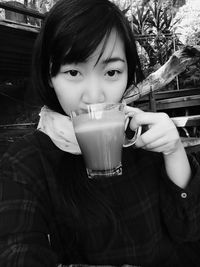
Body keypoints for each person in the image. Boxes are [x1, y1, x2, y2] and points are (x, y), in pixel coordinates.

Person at [0, 0, 200, 266]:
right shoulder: (25, 163)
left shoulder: (145, 140)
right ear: (50, 75)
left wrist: (174, 153)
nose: (94, 96)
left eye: (111, 72)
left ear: (128, 73)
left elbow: (190, 232)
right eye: (73, 72)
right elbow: (16, 252)